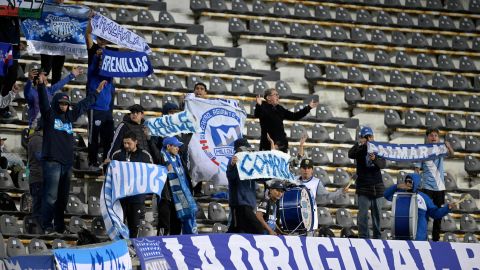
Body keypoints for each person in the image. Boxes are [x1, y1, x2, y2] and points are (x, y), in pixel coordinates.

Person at [38, 72, 107, 234]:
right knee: (50, 197)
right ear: (56, 103)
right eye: (61, 103)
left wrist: (96, 92)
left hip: (67, 163)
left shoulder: (70, 116)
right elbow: (42, 102)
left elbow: (83, 105)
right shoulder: (49, 116)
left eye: (66, 104)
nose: (64, 106)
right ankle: (47, 226)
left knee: (62, 199)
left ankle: (59, 227)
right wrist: (41, 85)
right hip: (52, 161)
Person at [384, 173, 454, 241]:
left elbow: (435, 213)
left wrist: (447, 208)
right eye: (406, 181)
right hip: (401, 237)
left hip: (419, 238)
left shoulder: (424, 197)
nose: (407, 183)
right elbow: (386, 195)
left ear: (416, 183)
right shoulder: (399, 195)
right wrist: (396, 186)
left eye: (410, 182)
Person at [414, 127, 455, 241]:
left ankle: (436, 241)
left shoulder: (441, 149)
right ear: (427, 137)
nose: (434, 137)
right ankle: (422, 239)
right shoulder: (422, 151)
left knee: (439, 216)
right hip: (426, 188)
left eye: (436, 135)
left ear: (438, 138)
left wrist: (448, 146)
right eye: (431, 135)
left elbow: (452, 155)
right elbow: (417, 169)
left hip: (440, 188)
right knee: (424, 215)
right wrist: (416, 184)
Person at [111, 131, 153, 238]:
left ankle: (133, 250)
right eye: (124, 143)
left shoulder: (144, 155)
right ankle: (119, 249)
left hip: (136, 199)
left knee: (134, 226)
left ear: (136, 142)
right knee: (118, 225)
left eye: (128, 143)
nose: (126, 146)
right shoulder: (117, 155)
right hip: (120, 198)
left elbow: (151, 173)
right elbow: (110, 173)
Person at [348, 126, 385, 239]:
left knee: (377, 216)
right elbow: (350, 154)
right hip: (364, 187)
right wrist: (359, 143)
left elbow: (382, 165)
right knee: (363, 216)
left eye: (370, 136)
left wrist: (374, 159)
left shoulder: (378, 148)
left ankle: (377, 238)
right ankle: (363, 238)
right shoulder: (360, 149)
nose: (368, 139)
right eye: (365, 137)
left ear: (373, 136)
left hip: (377, 187)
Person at [255, 88, 318, 153]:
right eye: (275, 94)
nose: (278, 96)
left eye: (278, 95)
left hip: (281, 144)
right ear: (268, 97)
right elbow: (257, 115)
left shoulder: (280, 108)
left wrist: (308, 108)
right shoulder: (262, 106)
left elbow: (294, 116)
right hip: (268, 144)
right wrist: (258, 105)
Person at [296, 158, 348, 231]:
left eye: (308, 168)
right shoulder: (293, 180)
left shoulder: (316, 182)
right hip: (295, 213)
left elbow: (327, 196)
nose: (306, 170)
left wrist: (340, 192)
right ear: (300, 169)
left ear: (312, 170)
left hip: (309, 215)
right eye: (304, 168)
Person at [159, 136, 197, 235]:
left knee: (178, 224)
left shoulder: (178, 158)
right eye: (175, 146)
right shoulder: (161, 159)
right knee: (167, 225)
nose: (178, 148)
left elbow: (184, 176)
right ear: (168, 146)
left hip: (180, 196)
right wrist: (164, 169)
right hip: (167, 198)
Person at [227, 138, 264, 234]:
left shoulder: (250, 163)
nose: (247, 150)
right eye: (244, 148)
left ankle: (221, 245)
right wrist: (232, 166)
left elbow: (261, 178)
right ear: (238, 150)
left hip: (249, 203)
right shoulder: (233, 161)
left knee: (238, 231)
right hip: (239, 204)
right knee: (257, 229)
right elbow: (231, 177)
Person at [86, 48, 115, 168]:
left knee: (108, 139)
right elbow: (92, 66)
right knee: (93, 137)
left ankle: (106, 161)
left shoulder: (109, 77)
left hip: (107, 111)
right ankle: (92, 161)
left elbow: (115, 66)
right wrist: (97, 56)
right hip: (95, 109)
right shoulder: (92, 74)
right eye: (101, 63)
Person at [40, 0, 66, 85]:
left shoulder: (66, 8)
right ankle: (38, 92)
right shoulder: (44, 5)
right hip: (48, 43)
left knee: (57, 71)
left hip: (61, 44)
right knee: (46, 70)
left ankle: (53, 94)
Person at [27, 125, 43, 218]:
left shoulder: (39, 138)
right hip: (38, 177)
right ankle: (37, 229)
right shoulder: (37, 139)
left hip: (40, 177)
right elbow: (39, 156)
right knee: (38, 207)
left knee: (40, 206)